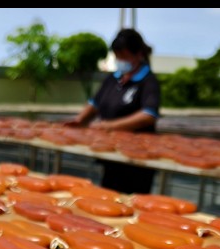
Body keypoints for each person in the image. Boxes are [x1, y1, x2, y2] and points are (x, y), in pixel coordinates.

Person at [63, 28, 160, 194]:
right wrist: (80, 120)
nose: (120, 60)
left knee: (131, 201)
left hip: (136, 160)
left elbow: (148, 115)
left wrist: (109, 125)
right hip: (112, 156)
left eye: (124, 56)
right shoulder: (113, 79)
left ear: (138, 54)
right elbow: (94, 103)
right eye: (117, 56)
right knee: (108, 195)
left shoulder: (148, 81)